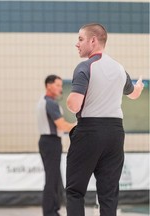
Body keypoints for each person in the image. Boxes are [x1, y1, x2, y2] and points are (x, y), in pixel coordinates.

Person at [66, 23, 144, 216]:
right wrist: (139, 87)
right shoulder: (119, 68)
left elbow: (75, 105)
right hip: (115, 134)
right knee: (108, 193)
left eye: (81, 39)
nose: (77, 44)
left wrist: (68, 99)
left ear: (93, 41)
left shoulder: (85, 67)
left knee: (75, 191)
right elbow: (133, 94)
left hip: (90, 132)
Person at [37, 75, 76, 216]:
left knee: (54, 178)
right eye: (58, 85)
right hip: (51, 142)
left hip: (47, 141)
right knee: (52, 179)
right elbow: (62, 125)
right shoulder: (50, 103)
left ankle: (53, 210)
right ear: (48, 85)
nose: (60, 88)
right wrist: (80, 126)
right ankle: (50, 212)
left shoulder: (43, 101)